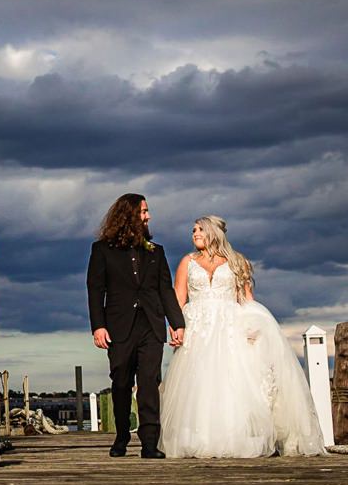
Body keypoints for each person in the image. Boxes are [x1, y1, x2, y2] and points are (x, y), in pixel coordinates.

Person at [159, 216, 326, 458]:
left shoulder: (237, 262)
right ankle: (199, 438)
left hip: (229, 327)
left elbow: (247, 299)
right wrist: (175, 326)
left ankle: (233, 436)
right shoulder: (187, 262)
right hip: (198, 328)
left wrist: (253, 327)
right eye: (193, 230)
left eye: (199, 229)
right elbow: (178, 297)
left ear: (214, 232)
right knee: (198, 382)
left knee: (231, 381)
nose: (194, 233)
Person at [86, 194, 185, 458]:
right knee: (120, 381)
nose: (148, 216)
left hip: (151, 325)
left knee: (150, 382)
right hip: (118, 327)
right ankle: (121, 436)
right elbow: (95, 290)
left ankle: (150, 442)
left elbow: (165, 289)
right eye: (144, 211)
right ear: (129, 215)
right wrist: (98, 326)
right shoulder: (102, 250)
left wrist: (176, 323)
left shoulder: (156, 251)